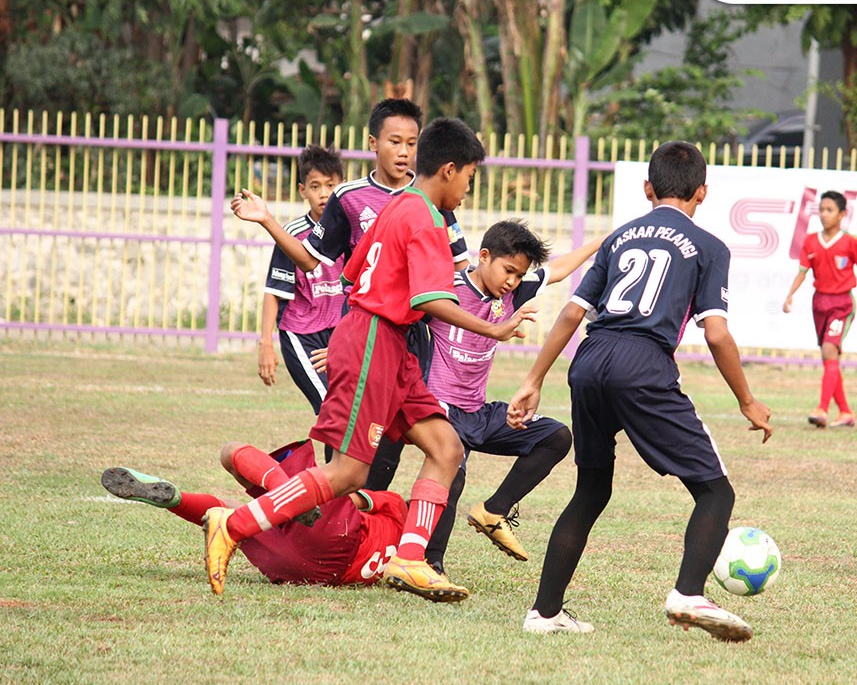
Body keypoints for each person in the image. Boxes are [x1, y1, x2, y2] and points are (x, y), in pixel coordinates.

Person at [205, 118, 537, 603]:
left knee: (446, 449)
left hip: (392, 344)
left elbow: (353, 270)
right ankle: (232, 524)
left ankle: (410, 558)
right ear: (448, 169)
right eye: (469, 176)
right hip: (376, 343)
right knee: (349, 472)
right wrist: (493, 327)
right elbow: (428, 299)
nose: (468, 189)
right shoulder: (426, 218)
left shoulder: (396, 206)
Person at [506, 141, 772, 641]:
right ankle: (689, 593)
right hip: (642, 364)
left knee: (591, 490)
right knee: (716, 491)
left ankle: (544, 615)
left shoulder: (619, 238)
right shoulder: (710, 247)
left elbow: (570, 313)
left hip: (589, 360)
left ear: (648, 189)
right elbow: (716, 332)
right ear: (703, 193)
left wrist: (532, 379)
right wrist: (747, 400)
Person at [234, 98, 469, 479]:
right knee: (350, 444)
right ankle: (329, 518)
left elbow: (459, 270)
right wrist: (267, 220)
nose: (404, 152)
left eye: (412, 143)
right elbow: (312, 260)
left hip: (410, 338)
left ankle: (360, 525)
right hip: (368, 332)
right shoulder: (348, 197)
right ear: (374, 143)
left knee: (396, 443)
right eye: (395, 141)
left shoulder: (436, 196)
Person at [414, 220, 603, 575]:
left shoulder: (512, 294)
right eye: (508, 271)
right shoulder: (446, 288)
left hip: (477, 412)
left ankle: (494, 510)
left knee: (556, 436)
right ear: (484, 256)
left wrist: (602, 241)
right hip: (439, 409)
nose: (513, 282)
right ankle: (429, 563)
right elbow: (394, 315)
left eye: (520, 276)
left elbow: (559, 270)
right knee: (451, 476)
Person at [101, 440, 407, 586]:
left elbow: (352, 497)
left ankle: (286, 493)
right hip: (306, 573)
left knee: (231, 454)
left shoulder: (398, 508)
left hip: (338, 535)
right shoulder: (404, 565)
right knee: (236, 517)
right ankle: (177, 500)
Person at [782, 190, 857, 428]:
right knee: (830, 358)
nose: (824, 215)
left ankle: (822, 409)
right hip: (820, 304)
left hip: (842, 304)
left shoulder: (852, 242)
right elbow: (803, 272)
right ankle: (846, 412)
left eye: (830, 210)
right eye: (821, 210)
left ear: (842, 214)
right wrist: (790, 295)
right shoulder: (811, 241)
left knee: (828, 351)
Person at [259, 145, 345, 414]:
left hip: (340, 334)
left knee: (347, 410)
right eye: (315, 186)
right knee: (333, 408)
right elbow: (274, 290)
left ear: (341, 186)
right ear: (302, 190)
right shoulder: (293, 234)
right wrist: (265, 344)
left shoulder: (349, 230)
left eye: (330, 185)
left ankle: (340, 459)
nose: (323, 193)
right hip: (302, 333)